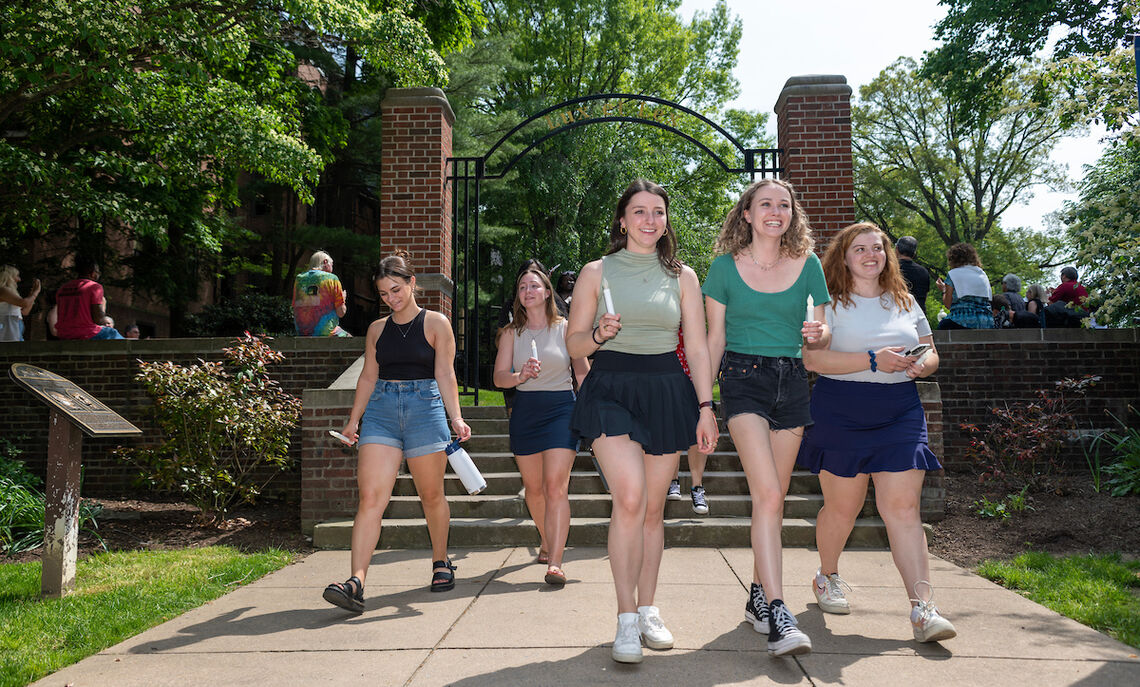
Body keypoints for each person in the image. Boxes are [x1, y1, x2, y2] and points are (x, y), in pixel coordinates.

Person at [566, 179, 718, 664]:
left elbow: (695, 345)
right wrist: (597, 333)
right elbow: (572, 345)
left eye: (658, 212)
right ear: (622, 219)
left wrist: (706, 407)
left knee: (653, 509)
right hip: (611, 387)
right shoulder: (596, 272)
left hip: (667, 390)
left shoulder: (683, 276)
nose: (650, 220)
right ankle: (626, 619)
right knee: (629, 498)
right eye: (639, 212)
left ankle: (650, 608)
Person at [800, 222, 957, 645]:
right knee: (842, 510)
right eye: (860, 249)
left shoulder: (905, 300)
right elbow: (813, 361)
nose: (871, 255)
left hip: (900, 413)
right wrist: (873, 360)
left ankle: (923, 608)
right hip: (840, 412)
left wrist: (920, 365)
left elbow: (931, 352)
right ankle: (826, 575)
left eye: (878, 248)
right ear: (843, 257)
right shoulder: (826, 302)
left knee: (904, 509)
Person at [703, 178, 829, 658]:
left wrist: (818, 332)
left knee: (772, 501)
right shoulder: (723, 269)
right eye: (766, 205)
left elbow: (823, 327)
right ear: (748, 214)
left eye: (784, 205)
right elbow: (714, 340)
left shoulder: (810, 264)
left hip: (793, 382)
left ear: (792, 214)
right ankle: (779, 613)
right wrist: (704, 403)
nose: (776, 212)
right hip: (742, 379)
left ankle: (758, 596)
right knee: (770, 494)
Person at [322, 252, 472, 614]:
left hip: (426, 408)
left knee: (431, 494)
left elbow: (445, 375)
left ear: (412, 283)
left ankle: (440, 561)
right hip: (382, 412)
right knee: (371, 498)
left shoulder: (436, 323)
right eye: (384, 294)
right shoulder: (376, 329)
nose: (391, 298)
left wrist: (457, 417)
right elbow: (369, 377)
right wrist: (353, 421)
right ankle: (356, 581)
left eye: (397, 289)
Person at [493, 268, 589, 586]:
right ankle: (547, 540)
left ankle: (556, 562)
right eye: (522, 286)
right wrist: (519, 376)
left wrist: (594, 408)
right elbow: (498, 378)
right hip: (526, 412)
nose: (528, 290)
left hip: (562, 408)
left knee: (554, 486)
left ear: (548, 293)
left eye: (534, 285)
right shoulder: (510, 333)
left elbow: (582, 372)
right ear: (518, 296)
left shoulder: (565, 329)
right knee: (533, 489)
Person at [666, 326, 709, 515]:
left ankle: (697, 486)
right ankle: (672, 480)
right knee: (670, 426)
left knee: (697, 433)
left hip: (693, 376)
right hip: (666, 371)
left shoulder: (693, 310)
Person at [55, 257, 124, 340]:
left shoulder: (62, 288)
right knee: (112, 333)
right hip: (86, 333)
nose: (98, 275)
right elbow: (98, 320)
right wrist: (103, 306)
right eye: (98, 272)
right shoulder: (94, 287)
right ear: (92, 273)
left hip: (63, 333)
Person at [935, 243, 993, 329]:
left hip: (961, 320)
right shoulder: (982, 274)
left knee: (942, 325)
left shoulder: (952, 274)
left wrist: (944, 290)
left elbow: (948, 304)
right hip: (986, 321)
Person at [293, 251, 351, 337]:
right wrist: (343, 299)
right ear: (325, 262)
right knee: (350, 339)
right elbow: (341, 313)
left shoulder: (299, 279)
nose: (332, 267)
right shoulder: (332, 279)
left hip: (302, 332)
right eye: (332, 264)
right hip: (326, 332)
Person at [0, 265, 41, 342]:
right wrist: (35, 293)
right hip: (8, 324)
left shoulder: (7, 291)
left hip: (15, 324)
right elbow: (24, 303)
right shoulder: (3, 290)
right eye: (17, 276)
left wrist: (31, 295)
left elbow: (24, 312)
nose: (19, 279)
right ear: (9, 276)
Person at [895, 236, 930, 315]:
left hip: (897, 314)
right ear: (914, 252)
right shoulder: (924, 272)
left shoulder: (891, 270)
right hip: (919, 315)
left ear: (897, 249)